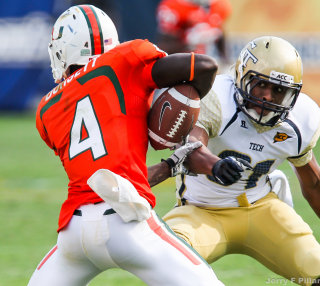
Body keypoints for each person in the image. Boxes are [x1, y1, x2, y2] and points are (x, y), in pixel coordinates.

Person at [28, 4, 224, 286]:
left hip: (73, 233)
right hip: (127, 224)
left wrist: (167, 161)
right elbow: (204, 66)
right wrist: (185, 110)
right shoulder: (123, 59)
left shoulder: (46, 110)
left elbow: (102, 168)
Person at [162, 36, 320, 285]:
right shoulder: (216, 97)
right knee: (164, 260)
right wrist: (215, 165)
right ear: (242, 77)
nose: (267, 97)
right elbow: (192, 150)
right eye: (260, 85)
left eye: (279, 90)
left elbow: (315, 183)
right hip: (199, 212)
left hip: (261, 209)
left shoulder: (302, 119)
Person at [156, 0, 231, 63]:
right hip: (180, 66)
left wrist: (225, 59)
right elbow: (164, 46)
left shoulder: (219, 5)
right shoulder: (173, 6)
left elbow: (219, 32)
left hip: (206, 66)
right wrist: (187, 41)